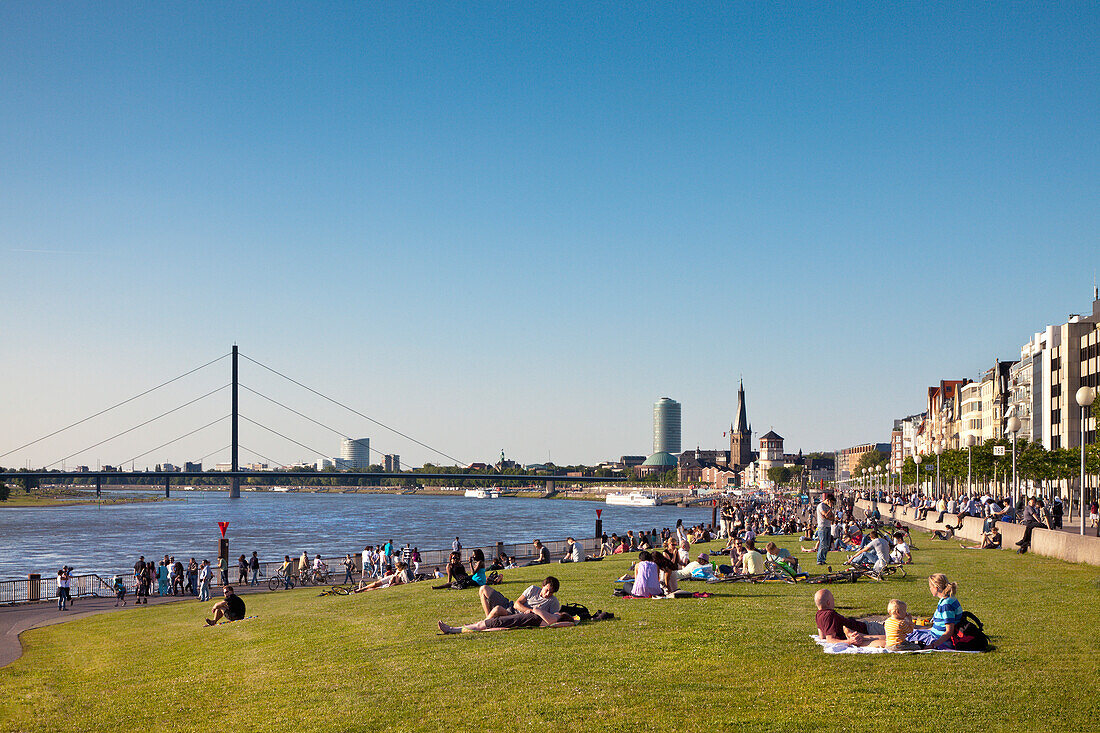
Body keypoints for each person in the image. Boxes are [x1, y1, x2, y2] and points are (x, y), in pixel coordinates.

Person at [905, 573, 962, 649]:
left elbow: (949, 631)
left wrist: (933, 645)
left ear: (935, 588)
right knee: (908, 634)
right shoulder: (949, 599)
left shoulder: (946, 604)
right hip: (935, 635)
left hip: (939, 639)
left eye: (930, 587)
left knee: (898, 639)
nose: (930, 589)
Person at [813, 588, 884, 647]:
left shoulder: (818, 615)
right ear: (828, 602)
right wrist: (849, 641)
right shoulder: (829, 614)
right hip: (867, 629)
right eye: (832, 598)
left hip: (859, 630)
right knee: (891, 626)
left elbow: (822, 637)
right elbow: (830, 639)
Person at [437, 607, 576, 634]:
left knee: (482, 625)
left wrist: (534, 609)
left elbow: (568, 623)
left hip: (513, 621)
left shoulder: (553, 618)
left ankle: (451, 629)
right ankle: (456, 629)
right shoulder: (551, 618)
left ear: (561, 614)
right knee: (482, 625)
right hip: (514, 620)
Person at [478, 576, 561, 618]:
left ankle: (485, 623)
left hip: (513, 615)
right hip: (510, 606)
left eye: (551, 592)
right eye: (547, 590)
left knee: (497, 609)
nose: (547, 594)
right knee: (483, 589)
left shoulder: (553, 601)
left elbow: (553, 618)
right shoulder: (533, 589)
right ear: (543, 586)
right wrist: (531, 611)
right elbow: (517, 604)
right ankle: (488, 619)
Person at [815, 493, 837, 565]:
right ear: (828, 500)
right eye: (832, 502)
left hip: (828, 526)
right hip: (822, 526)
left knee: (827, 544)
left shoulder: (827, 507)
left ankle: (823, 559)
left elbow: (832, 518)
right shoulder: (821, 506)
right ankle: (819, 560)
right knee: (823, 543)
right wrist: (830, 510)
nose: (832, 504)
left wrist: (830, 515)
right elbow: (826, 515)